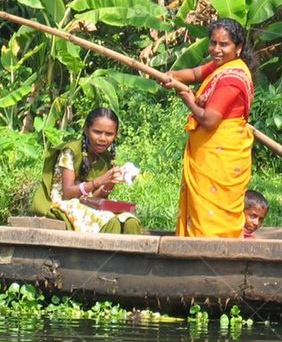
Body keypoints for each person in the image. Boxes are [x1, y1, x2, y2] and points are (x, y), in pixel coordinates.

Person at [164, 18, 256, 238]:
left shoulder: (232, 78)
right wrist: (172, 76)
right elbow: (196, 73)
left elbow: (210, 120)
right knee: (200, 211)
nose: (216, 49)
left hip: (221, 155)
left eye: (223, 45)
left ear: (238, 48)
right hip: (208, 153)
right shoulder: (221, 65)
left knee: (213, 214)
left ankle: (212, 255)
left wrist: (188, 99)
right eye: (213, 43)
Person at [31, 107, 142, 234]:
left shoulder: (106, 158)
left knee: (129, 221)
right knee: (110, 222)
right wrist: (99, 181)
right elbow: (68, 193)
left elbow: (94, 198)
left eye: (109, 134)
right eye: (97, 132)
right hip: (63, 202)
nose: (103, 138)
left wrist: (110, 183)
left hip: (87, 203)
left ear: (116, 135)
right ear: (86, 130)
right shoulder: (70, 152)